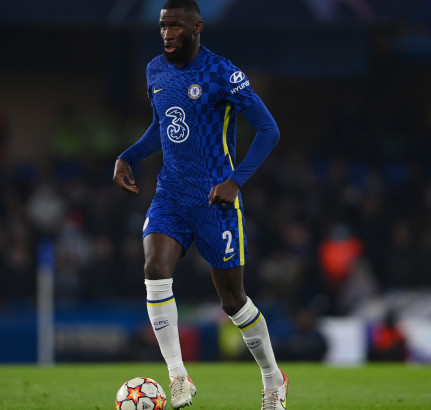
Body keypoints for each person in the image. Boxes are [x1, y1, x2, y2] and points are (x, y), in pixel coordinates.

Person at [113, 1, 287, 408]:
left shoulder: (222, 72)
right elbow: (163, 125)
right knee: (154, 269)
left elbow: (268, 129)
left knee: (233, 301)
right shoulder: (155, 70)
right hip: (171, 195)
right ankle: (178, 377)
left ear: (197, 27)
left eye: (175, 25)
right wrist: (128, 156)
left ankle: (273, 379)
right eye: (163, 26)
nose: (167, 33)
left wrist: (235, 181)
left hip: (215, 200)